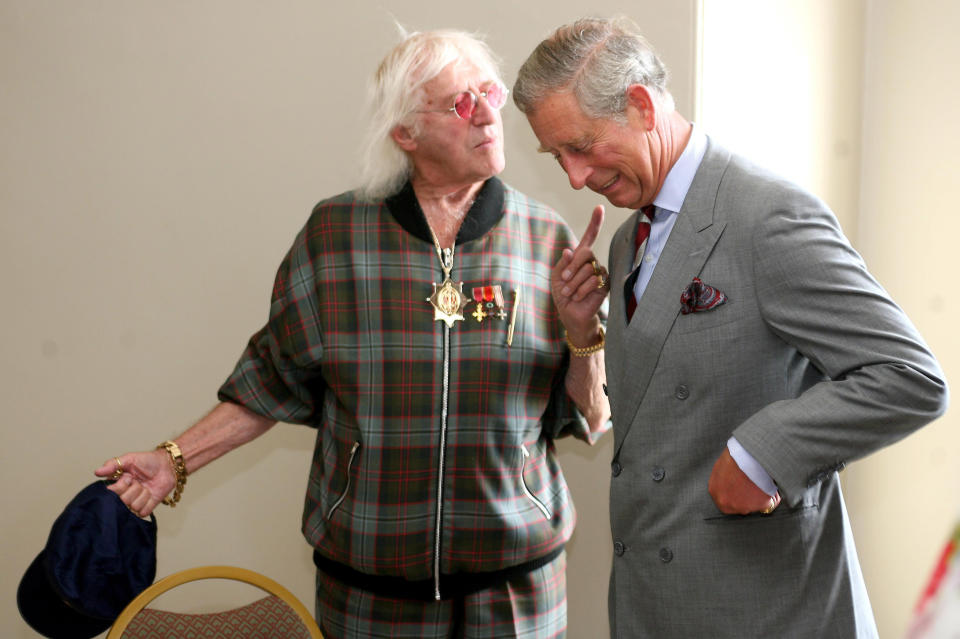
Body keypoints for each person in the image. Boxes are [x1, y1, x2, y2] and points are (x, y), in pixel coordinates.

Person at [95, 28, 610, 639]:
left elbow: (594, 416)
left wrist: (584, 334)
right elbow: (268, 383)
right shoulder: (336, 236)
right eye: (462, 104)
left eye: (490, 93)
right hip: (369, 596)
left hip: (516, 592)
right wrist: (172, 462)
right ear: (406, 135)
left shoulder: (546, 238)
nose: (489, 115)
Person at [512, 16, 948, 639]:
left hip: (769, 609)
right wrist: (584, 332)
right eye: (557, 156)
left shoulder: (767, 215)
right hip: (654, 607)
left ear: (640, 105)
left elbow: (909, 377)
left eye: (580, 146)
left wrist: (764, 453)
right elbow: (638, 423)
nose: (575, 177)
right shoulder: (624, 242)